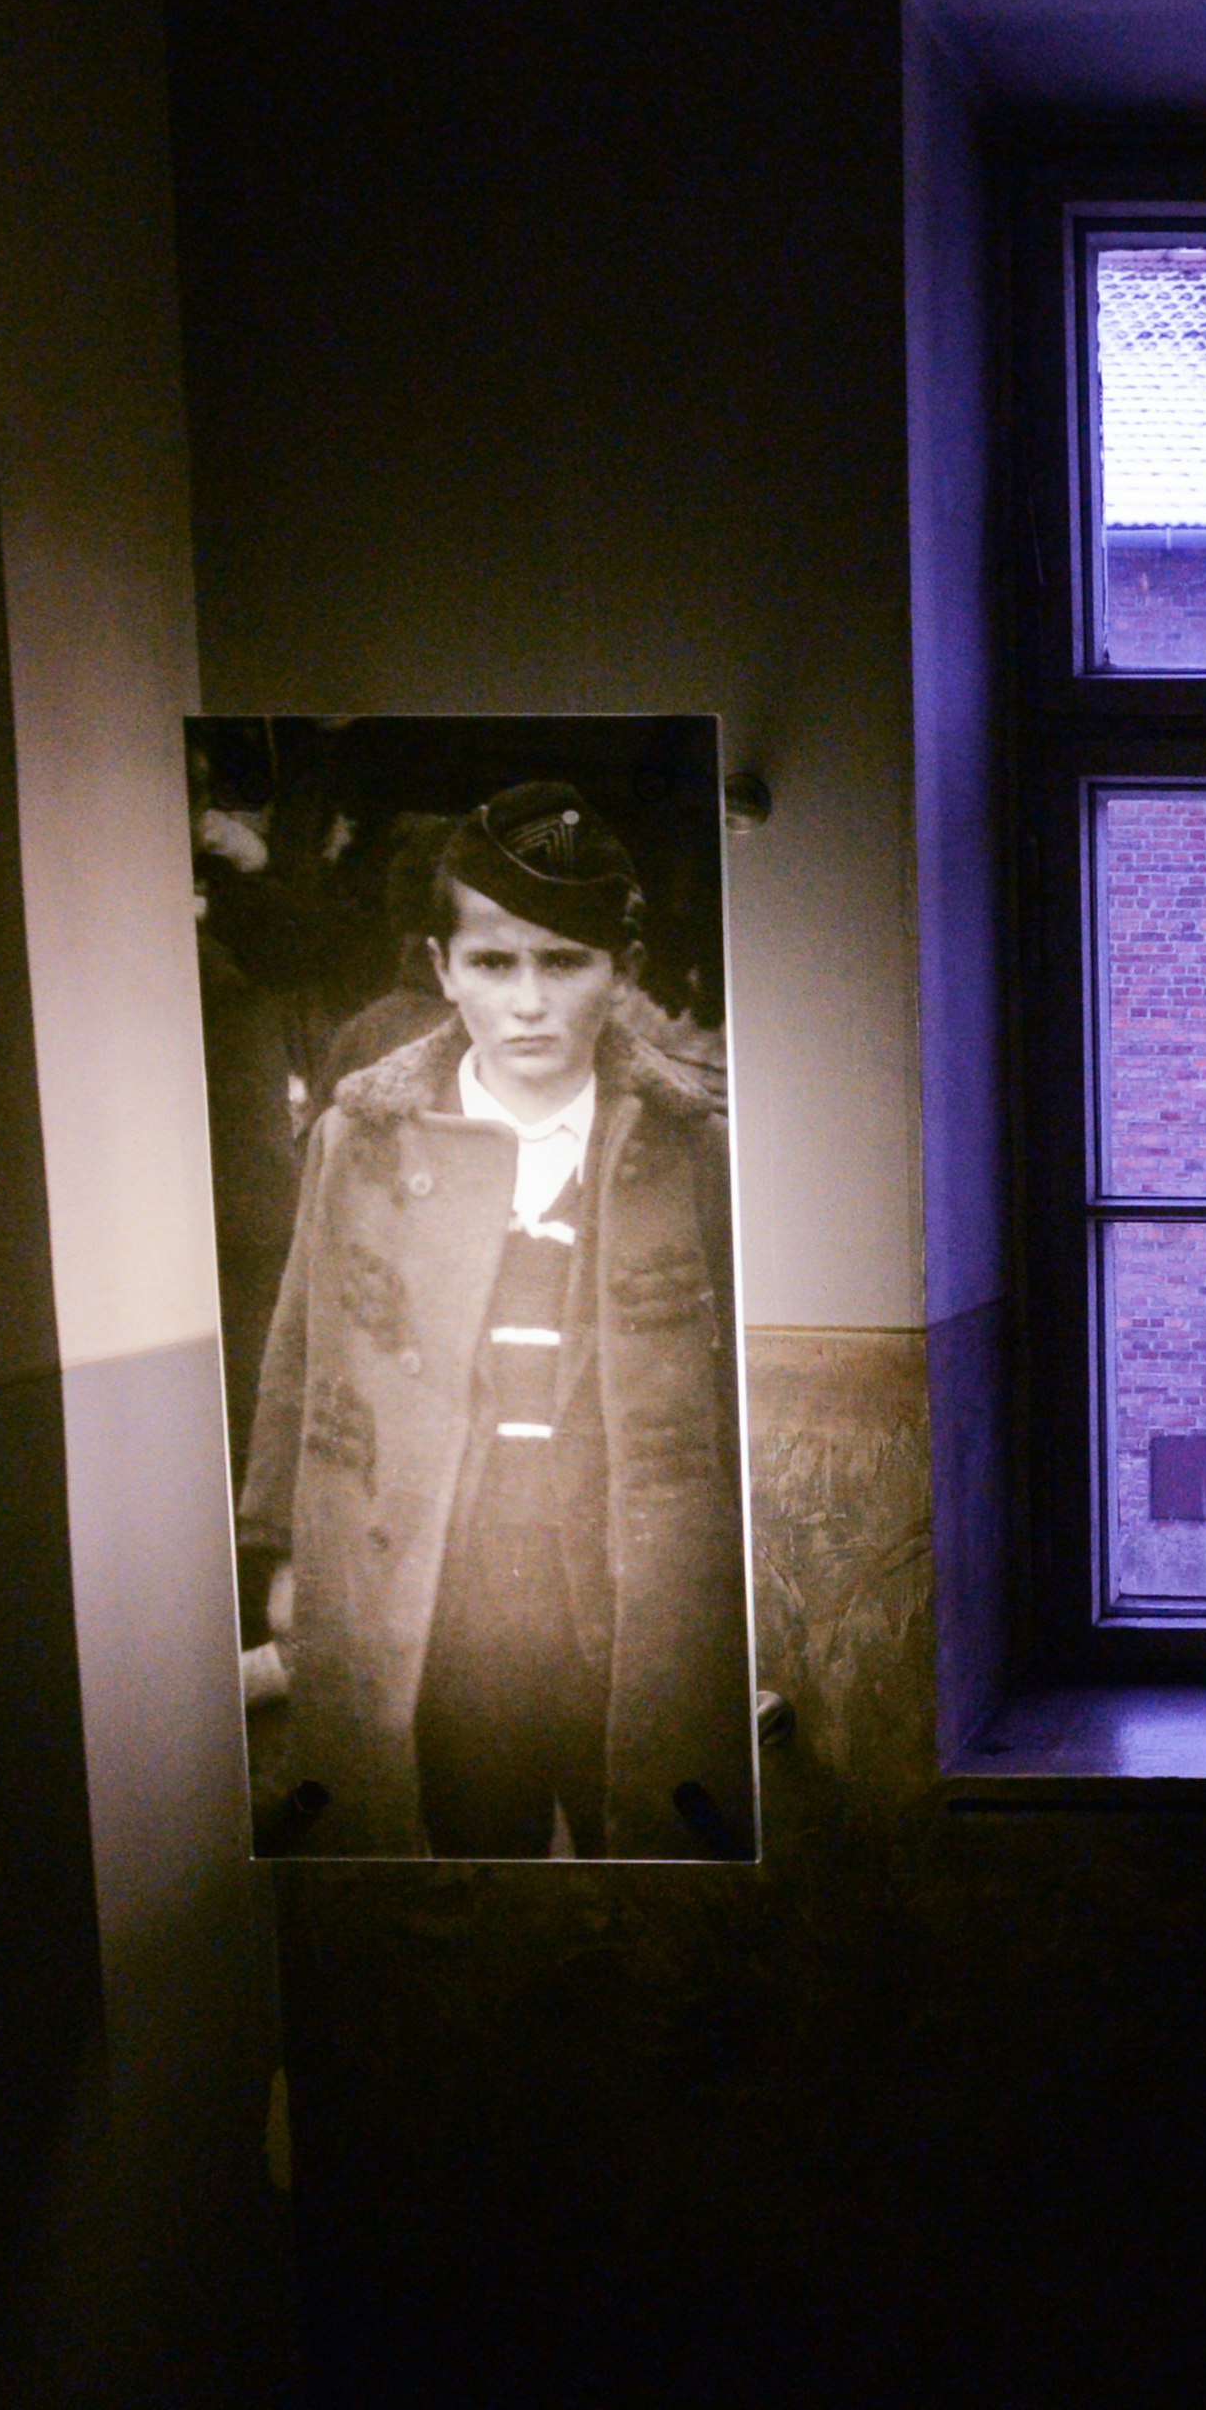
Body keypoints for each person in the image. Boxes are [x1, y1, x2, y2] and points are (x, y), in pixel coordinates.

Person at [239, 781, 751, 1858]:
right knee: (473, 1855)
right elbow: (304, 1341)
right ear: (441, 969)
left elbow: (734, 1380)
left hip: (617, 1583)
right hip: (443, 1587)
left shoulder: (686, 1150)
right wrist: (285, 1550)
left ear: (623, 974)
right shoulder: (363, 1142)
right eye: (493, 962)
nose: (528, 1002)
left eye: (564, 961)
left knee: (649, 1842)